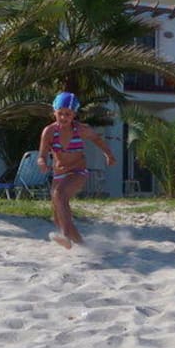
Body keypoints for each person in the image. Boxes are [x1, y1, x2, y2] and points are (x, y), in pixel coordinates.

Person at [38, 91, 115, 248]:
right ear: (54, 112)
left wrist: (109, 155)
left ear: (74, 114)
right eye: (60, 113)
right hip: (59, 174)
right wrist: (42, 162)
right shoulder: (49, 131)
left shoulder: (81, 130)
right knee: (57, 216)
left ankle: (65, 236)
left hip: (77, 172)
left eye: (68, 114)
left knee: (60, 195)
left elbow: (97, 140)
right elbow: (42, 154)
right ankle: (82, 245)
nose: (64, 117)